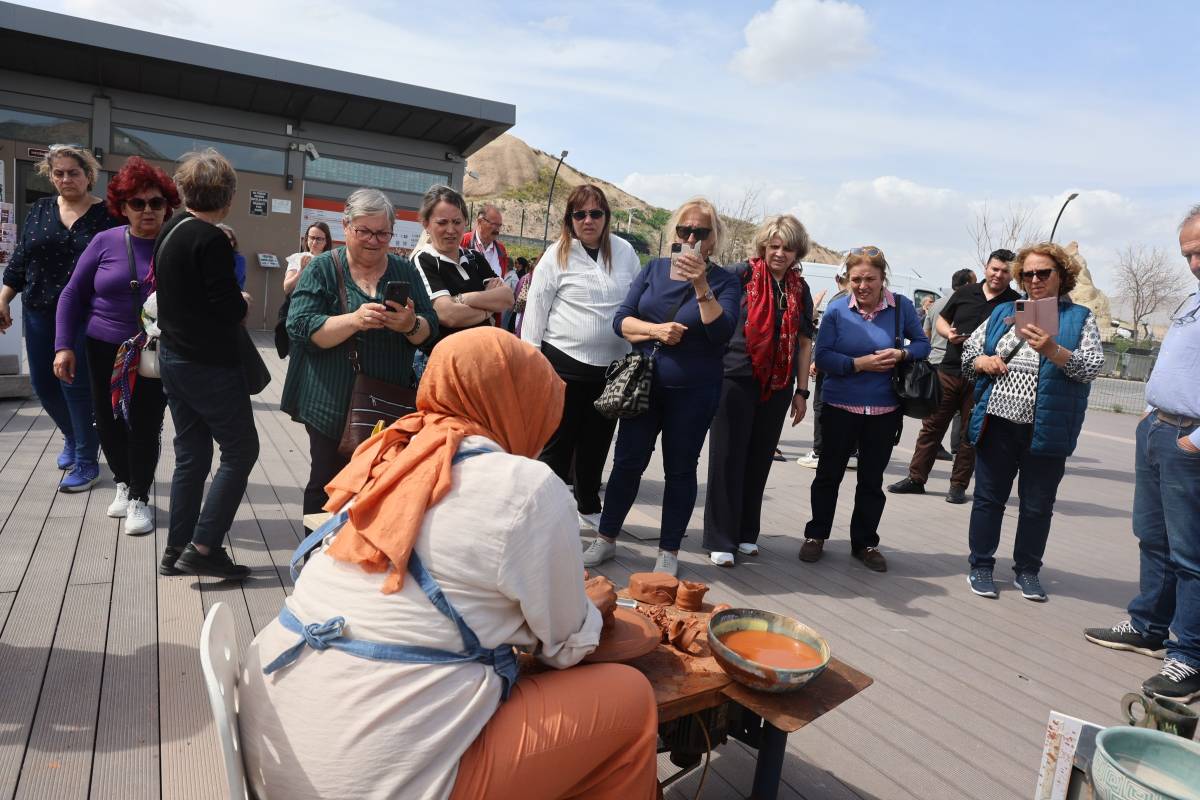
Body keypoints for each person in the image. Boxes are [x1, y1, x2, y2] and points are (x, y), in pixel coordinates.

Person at [238, 327, 659, 800]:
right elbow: (565, 647)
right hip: (364, 774)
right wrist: (589, 608)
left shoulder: (389, 452)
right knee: (631, 698)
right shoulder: (526, 485)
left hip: (278, 740)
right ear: (522, 404)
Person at [582, 197, 741, 576]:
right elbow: (621, 320)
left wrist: (700, 283)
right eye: (684, 230)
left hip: (695, 392)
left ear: (713, 239)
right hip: (644, 385)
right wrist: (656, 331)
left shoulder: (725, 281)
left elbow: (721, 332)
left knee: (681, 470)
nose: (690, 238)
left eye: (699, 232)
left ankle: (669, 550)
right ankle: (605, 538)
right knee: (627, 463)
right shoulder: (654, 269)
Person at [1084, 207, 1200, 702]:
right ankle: (1149, 625)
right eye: (1187, 253)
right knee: (1153, 537)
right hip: (1158, 429)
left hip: (1190, 441)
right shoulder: (1194, 299)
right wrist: (1151, 411)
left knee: (1191, 553)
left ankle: (1189, 656)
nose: (1194, 262)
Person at [281, 188, 437, 529]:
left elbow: (431, 327)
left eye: (382, 233)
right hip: (330, 404)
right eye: (364, 231)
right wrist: (354, 320)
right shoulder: (323, 268)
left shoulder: (404, 270)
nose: (373, 241)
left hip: (388, 405)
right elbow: (301, 326)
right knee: (327, 484)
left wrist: (410, 324)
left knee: (380, 486)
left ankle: (363, 553)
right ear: (346, 226)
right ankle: (316, 555)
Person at [961, 242, 1103, 601]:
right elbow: (968, 353)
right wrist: (982, 362)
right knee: (988, 500)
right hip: (998, 423)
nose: (1035, 280)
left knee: (1037, 506)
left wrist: (1053, 350)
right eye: (1027, 274)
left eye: (1043, 273)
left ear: (1062, 275)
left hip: (1048, 428)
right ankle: (981, 565)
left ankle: (1027, 570)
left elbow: (1091, 368)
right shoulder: (1005, 311)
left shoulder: (1079, 317)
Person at [52, 156, 179, 534]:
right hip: (103, 346)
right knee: (107, 422)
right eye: (137, 203)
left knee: (145, 424)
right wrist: (63, 345)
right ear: (123, 207)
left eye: (156, 202)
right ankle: (123, 483)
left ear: (167, 206)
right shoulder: (104, 241)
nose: (147, 210)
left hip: (153, 350)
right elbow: (72, 293)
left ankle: (139, 497)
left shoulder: (177, 244)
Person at [154, 148, 259, 580]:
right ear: (228, 197)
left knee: (192, 455)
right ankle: (203, 547)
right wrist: (243, 301)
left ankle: (176, 549)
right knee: (241, 450)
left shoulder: (172, 228)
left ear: (184, 190)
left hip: (173, 358)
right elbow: (227, 308)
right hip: (208, 365)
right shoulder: (211, 239)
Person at [798, 246, 930, 573]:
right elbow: (822, 356)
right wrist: (858, 364)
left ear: (883, 277)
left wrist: (902, 355)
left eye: (870, 279)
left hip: (884, 410)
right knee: (828, 476)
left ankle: (865, 543)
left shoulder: (901, 308)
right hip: (839, 407)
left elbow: (923, 344)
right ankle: (816, 535)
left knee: (871, 481)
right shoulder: (837, 309)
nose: (862, 286)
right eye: (856, 279)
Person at [521, 185, 640, 528]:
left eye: (595, 213)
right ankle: (542, 513)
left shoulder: (625, 252)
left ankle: (587, 505)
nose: (588, 220)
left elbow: (637, 302)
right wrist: (532, 364)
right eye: (580, 214)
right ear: (570, 219)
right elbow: (535, 311)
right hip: (563, 366)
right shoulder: (556, 254)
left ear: (606, 217)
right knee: (557, 445)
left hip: (611, 372)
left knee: (596, 444)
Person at [0, 144, 116, 491]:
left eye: (73, 172)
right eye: (59, 173)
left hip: (86, 314)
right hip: (39, 311)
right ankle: (74, 436)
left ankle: (86, 461)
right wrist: (3, 298)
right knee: (43, 386)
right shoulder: (40, 209)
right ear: (50, 177)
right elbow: (22, 259)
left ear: (88, 175)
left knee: (75, 386)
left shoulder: (109, 215)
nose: (66, 179)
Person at [703, 215, 814, 567]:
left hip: (778, 384)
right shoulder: (739, 275)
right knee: (727, 458)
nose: (779, 253)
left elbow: (805, 342)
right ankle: (720, 538)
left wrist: (802, 391)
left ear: (797, 252)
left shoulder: (799, 288)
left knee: (759, 458)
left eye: (787, 248)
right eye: (774, 246)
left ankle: (746, 533)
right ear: (763, 246)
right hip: (735, 377)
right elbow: (711, 316)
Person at [889, 252, 1018, 504]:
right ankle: (916, 479)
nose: (998, 275)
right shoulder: (965, 292)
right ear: (986, 267)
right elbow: (942, 319)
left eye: (1005, 271)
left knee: (970, 434)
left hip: (983, 379)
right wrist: (948, 333)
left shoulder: (1014, 303)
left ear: (1012, 274)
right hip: (948, 371)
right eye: (995, 269)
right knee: (931, 427)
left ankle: (958, 486)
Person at [412, 186, 513, 339]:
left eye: (457, 222)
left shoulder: (474, 257)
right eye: (442, 223)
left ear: (465, 222)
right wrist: (489, 308)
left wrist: (462, 299)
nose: (451, 230)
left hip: (485, 348)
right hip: (449, 351)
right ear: (426, 224)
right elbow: (449, 315)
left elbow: (507, 298)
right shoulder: (424, 260)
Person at [924, 269, 978, 461]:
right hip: (951, 364)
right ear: (967, 285)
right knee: (959, 412)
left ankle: (932, 452)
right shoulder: (967, 304)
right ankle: (956, 447)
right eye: (975, 282)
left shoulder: (936, 305)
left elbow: (926, 334)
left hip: (934, 361)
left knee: (934, 413)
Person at [797, 272, 849, 470]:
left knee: (821, 406)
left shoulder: (838, 301)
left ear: (837, 278)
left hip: (831, 363)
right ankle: (850, 452)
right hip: (848, 365)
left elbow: (827, 334)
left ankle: (819, 452)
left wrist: (816, 360)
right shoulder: (865, 301)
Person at [283, 222, 334, 297]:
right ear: (307, 239)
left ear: (326, 241)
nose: (314, 242)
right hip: (300, 301)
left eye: (319, 239)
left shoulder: (332, 260)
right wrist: (301, 271)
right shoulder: (297, 257)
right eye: (312, 238)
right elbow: (287, 288)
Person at [462, 203, 509, 278]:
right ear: (480, 222)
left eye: (499, 225)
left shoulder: (501, 250)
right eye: (494, 224)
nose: (497, 230)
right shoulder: (462, 242)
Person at [216, 223, 247, 289]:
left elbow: (232, 280)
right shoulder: (204, 257)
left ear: (234, 242)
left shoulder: (239, 259)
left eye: (229, 239)